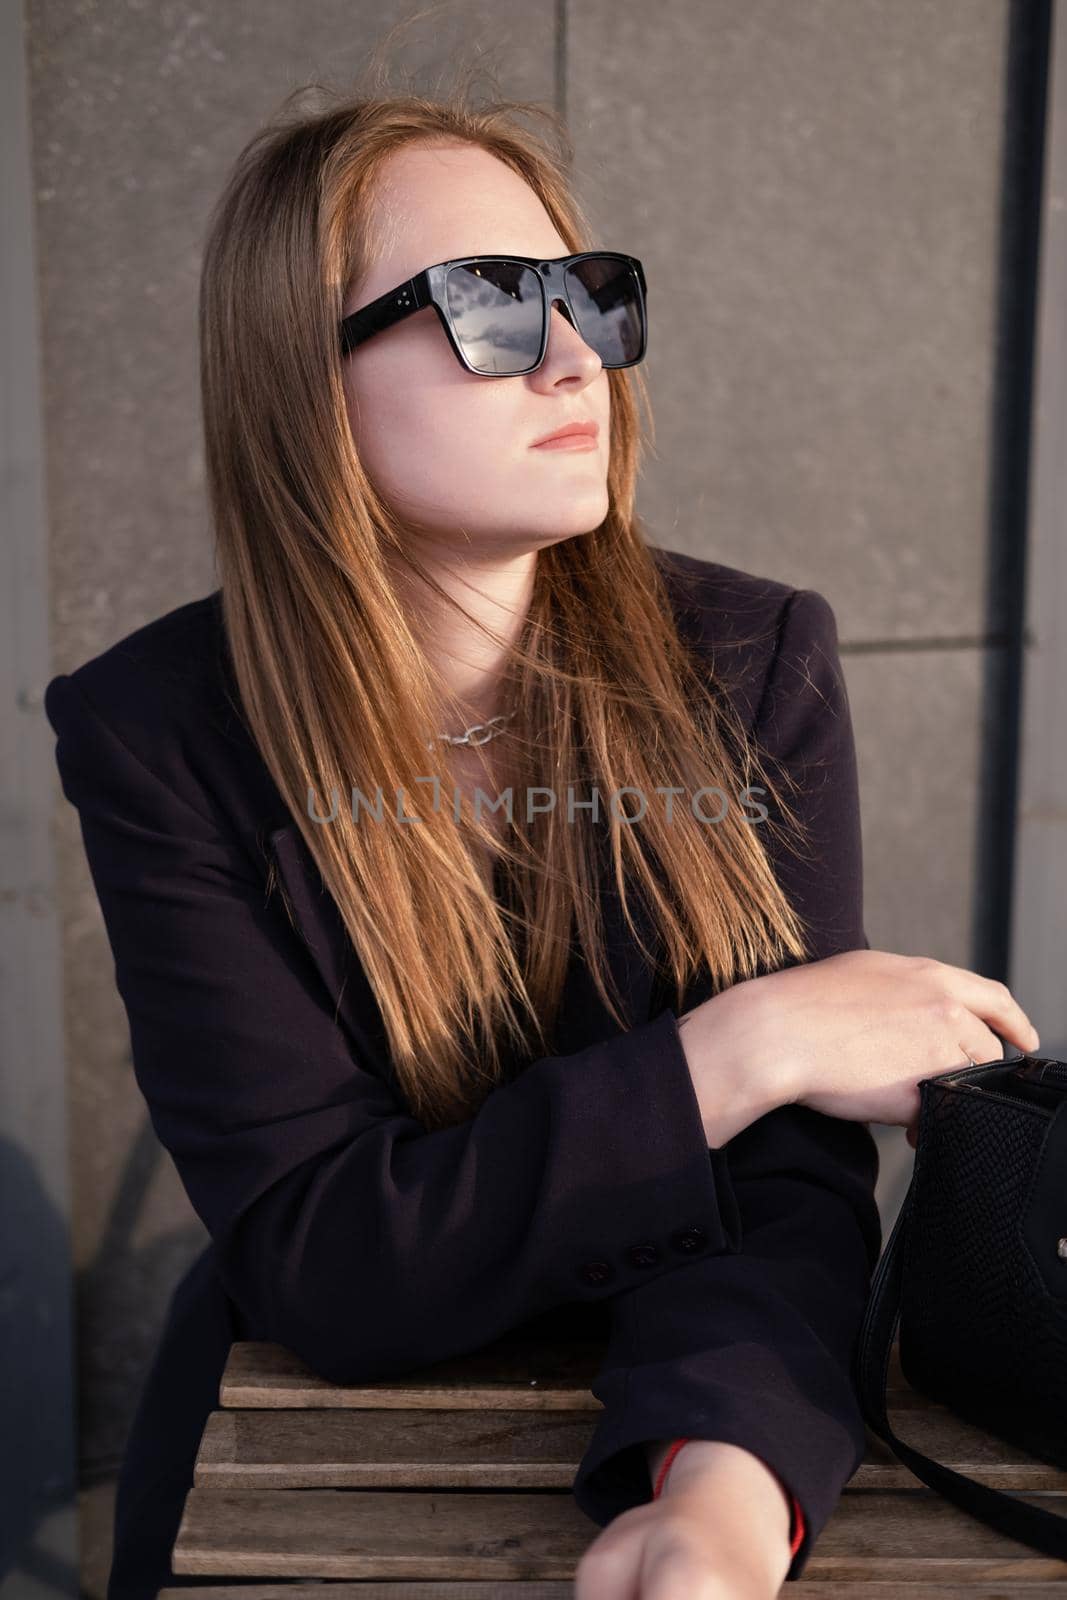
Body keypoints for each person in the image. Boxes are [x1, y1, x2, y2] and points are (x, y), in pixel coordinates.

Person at [44, 87, 1041, 1600]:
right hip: (315, 1441)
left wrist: (724, 1484)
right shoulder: (160, 731)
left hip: (699, 1394)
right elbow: (324, 1259)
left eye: (589, 294)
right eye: (490, 307)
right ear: (299, 377)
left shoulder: (749, 658)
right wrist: (740, 1046)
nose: (575, 356)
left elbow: (782, 1200)